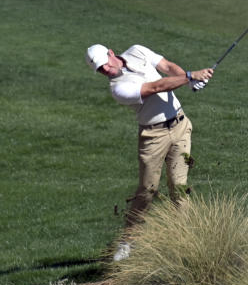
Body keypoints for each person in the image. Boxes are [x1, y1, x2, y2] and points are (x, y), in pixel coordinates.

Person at [85, 43, 214, 261]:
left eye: (104, 65)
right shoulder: (118, 89)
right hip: (153, 137)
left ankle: (188, 241)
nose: (105, 71)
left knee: (179, 187)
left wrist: (189, 79)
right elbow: (156, 87)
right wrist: (191, 76)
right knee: (147, 190)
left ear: (111, 53)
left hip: (181, 127)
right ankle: (128, 241)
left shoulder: (137, 50)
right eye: (99, 70)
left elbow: (167, 66)